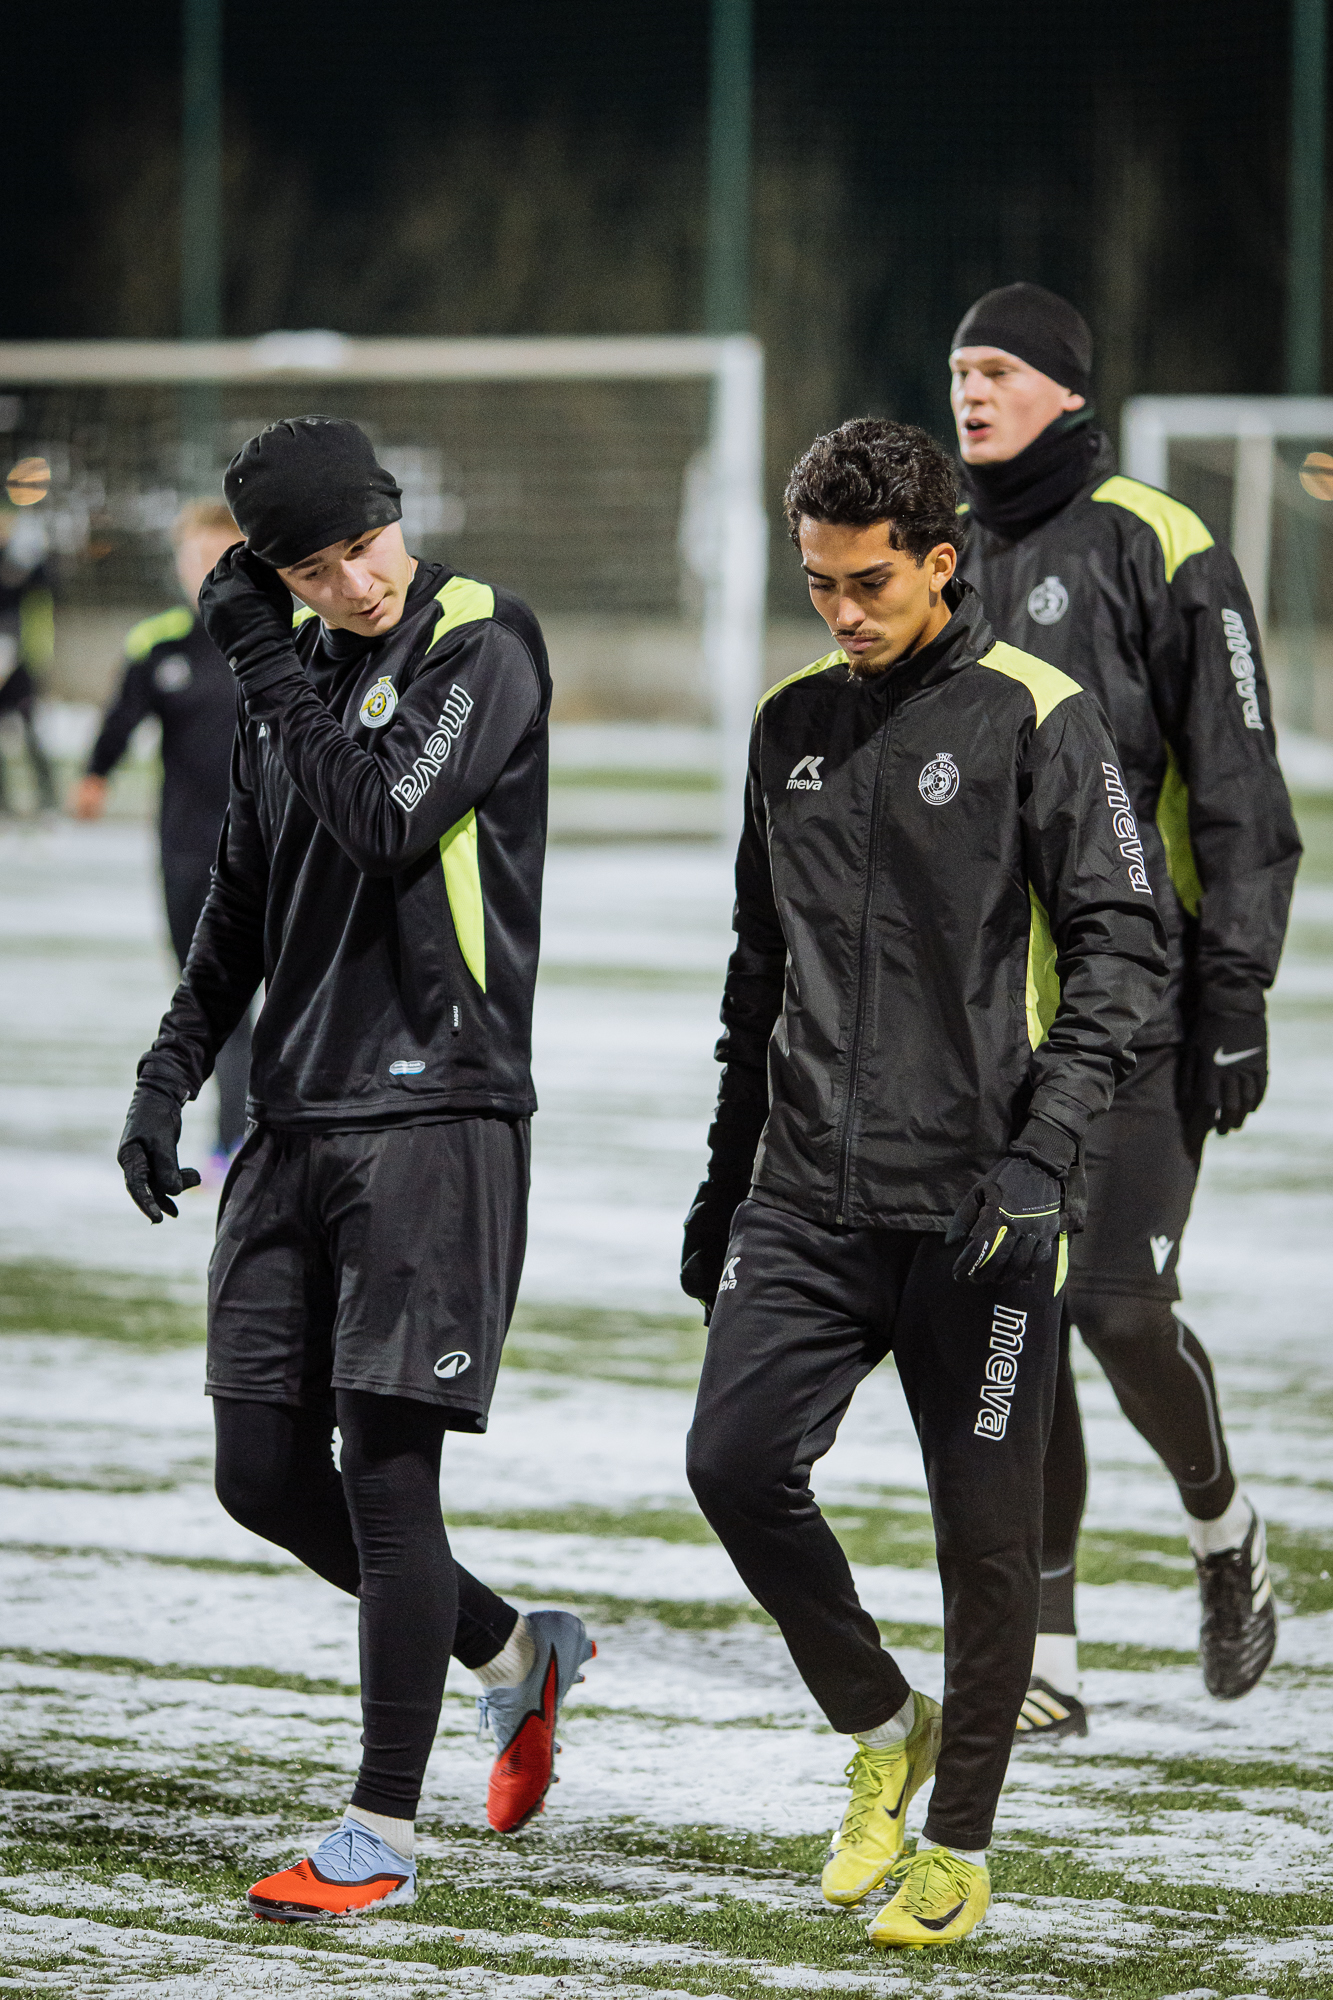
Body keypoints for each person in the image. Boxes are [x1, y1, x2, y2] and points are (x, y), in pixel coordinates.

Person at [681, 417, 1166, 1949]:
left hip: (980, 1213)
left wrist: (1043, 1154)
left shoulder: (1038, 714)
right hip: (801, 1199)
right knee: (731, 1466)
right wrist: (722, 1181)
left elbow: (1123, 952)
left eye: (869, 583)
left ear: (940, 562)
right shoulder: (788, 724)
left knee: (985, 1546)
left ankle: (956, 1846)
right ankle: (885, 1725)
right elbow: (756, 972)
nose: (840, 610)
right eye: (818, 583)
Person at [114, 416, 593, 1922]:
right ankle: (512, 1648)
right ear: (277, 572)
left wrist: (267, 658)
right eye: (314, 569)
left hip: (436, 1116)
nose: (356, 583)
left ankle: (378, 1829)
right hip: (290, 1121)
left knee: (387, 1476)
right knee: (259, 1473)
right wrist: (170, 1070)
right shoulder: (293, 674)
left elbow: (387, 817)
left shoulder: (481, 638)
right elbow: (239, 901)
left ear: (398, 515)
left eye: (365, 546)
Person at [950, 283, 1301, 1735]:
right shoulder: (942, 552)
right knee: (1014, 1312)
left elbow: (1240, 779)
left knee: (1113, 1303)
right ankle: (1047, 1650)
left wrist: (1236, 986)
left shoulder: (1161, 544)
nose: (970, 392)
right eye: (959, 370)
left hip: (1142, 1002)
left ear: (1066, 390)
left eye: (998, 369)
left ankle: (1224, 1532)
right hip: (995, 1024)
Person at [73, 501, 254, 1169]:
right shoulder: (157, 643)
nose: (203, 569)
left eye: (217, 556)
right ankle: (232, 1140)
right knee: (210, 1001)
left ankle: (254, 1141)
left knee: (278, 1003)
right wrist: (95, 776)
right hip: (185, 850)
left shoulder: (288, 637)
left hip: (271, 853)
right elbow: (121, 719)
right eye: (193, 556)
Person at [0, 503, 58, 814]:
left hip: (20, 661)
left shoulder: (27, 563)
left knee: (31, 728)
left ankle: (48, 798)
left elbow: (43, 600)